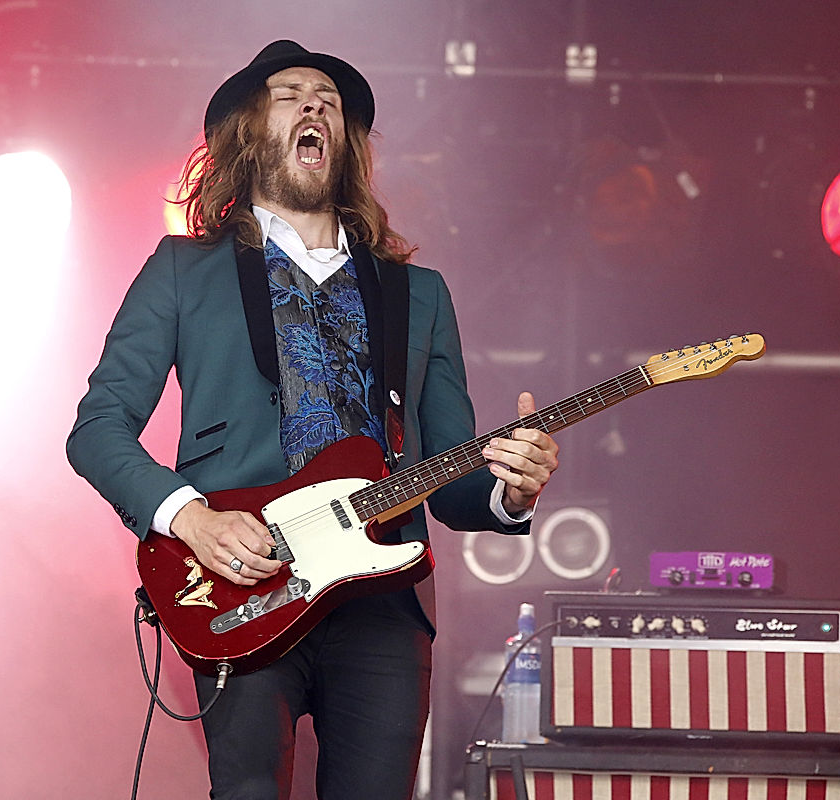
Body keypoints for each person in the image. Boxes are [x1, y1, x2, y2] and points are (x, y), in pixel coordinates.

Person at [67, 40, 560, 800]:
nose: (315, 104)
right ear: (248, 131)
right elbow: (97, 427)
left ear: (346, 144)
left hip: (383, 598)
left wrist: (510, 491)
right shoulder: (183, 269)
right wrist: (191, 519)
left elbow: (453, 481)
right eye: (290, 93)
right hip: (242, 580)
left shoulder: (417, 292)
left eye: (328, 98)